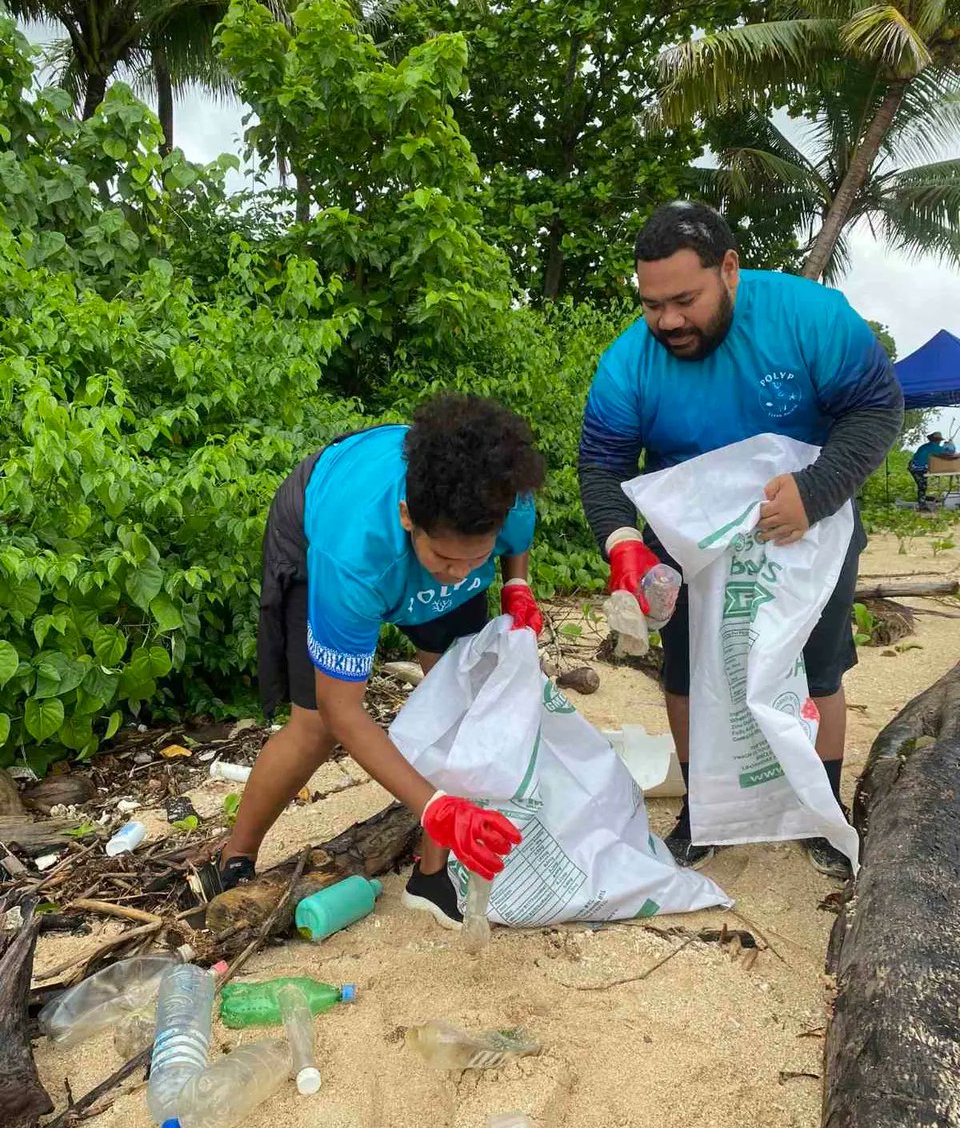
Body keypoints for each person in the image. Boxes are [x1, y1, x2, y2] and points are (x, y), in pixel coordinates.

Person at [578, 201, 904, 880]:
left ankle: (823, 807)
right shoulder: (628, 364)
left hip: (805, 519)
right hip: (689, 531)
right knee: (687, 667)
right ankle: (703, 812)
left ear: (729, 270)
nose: (667, 321)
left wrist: (816, 492)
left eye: (684, 300)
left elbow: (876, 408)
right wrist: (622, 544)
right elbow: (603, 465)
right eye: (651, 304)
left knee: (818, 664)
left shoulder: (807, 316)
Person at [218, 393, 546, 927]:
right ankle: (236, 856)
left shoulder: (501, 498)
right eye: (444, 558)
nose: (457, 575)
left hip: (419, 531)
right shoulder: (354, 554)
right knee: (315, 725)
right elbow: (342, 709)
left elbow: (514, 541)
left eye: (475, 558)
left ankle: (432, 876)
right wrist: (435, 806)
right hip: (318, 514)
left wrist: (515, 583)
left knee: (462, 699)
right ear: (407, 518)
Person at [908, 432, 958, 508]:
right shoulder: (935, 447)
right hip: (917, 468)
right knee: (922, 486)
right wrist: (950, 444)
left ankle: (924, 498)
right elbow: (950, 454)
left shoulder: (926, 446)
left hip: (914, 466)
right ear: (937, 441)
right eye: (940, 441)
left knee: (922, 485)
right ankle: (922, 504)